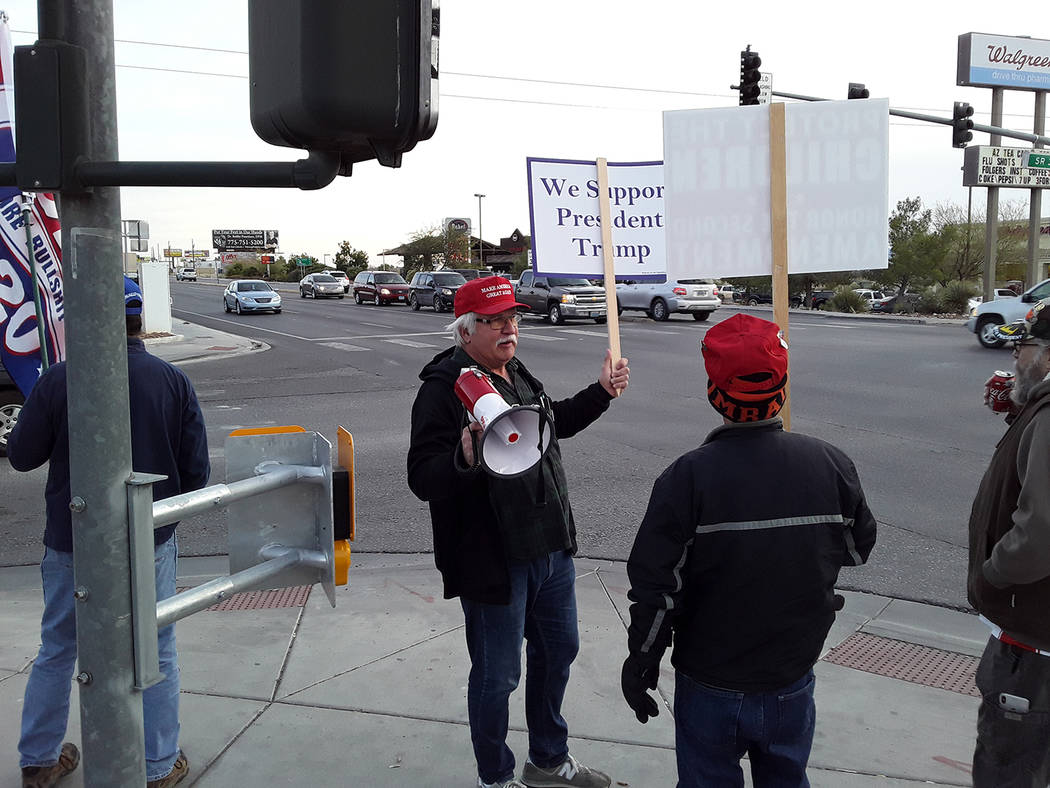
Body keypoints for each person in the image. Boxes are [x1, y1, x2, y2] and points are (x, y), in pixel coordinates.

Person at [621, 313, 876, 788]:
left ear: (714, 392)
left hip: (710, 683)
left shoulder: (687, 478)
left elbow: (657, 590)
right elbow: (857, 551)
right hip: (791, 678)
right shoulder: (830, 464)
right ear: (782, 387)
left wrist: (641, 661)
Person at [407, 276, 628, 788]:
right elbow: (421, 477)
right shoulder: (443, 390)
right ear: (465, 331)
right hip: (494, 559)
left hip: (550, 545)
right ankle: (496, 777)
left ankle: (548, 761)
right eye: (496, 320)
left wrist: (602, 393)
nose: (510, 328)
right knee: (497, 675)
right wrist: (464, 456)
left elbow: (553, 426)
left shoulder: (515, 372)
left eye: (514, 318)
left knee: (558, 652)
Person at [10, 277, 210, 788]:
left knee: (58, 646)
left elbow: (22, 455)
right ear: (140, 320)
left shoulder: (60, 380)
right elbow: (196, 472)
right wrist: (163, 518)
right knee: (157, 646)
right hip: (149, 539)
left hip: (71, 540)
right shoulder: (170, 380)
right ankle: (158, 765)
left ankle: (40, 760)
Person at [968, 297, 1050, 787]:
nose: (1016, 357)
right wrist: (1021, 410)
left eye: (1026, 347)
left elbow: (1040, 531)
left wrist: (992, 576)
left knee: (1011, 769)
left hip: (1034, 642)